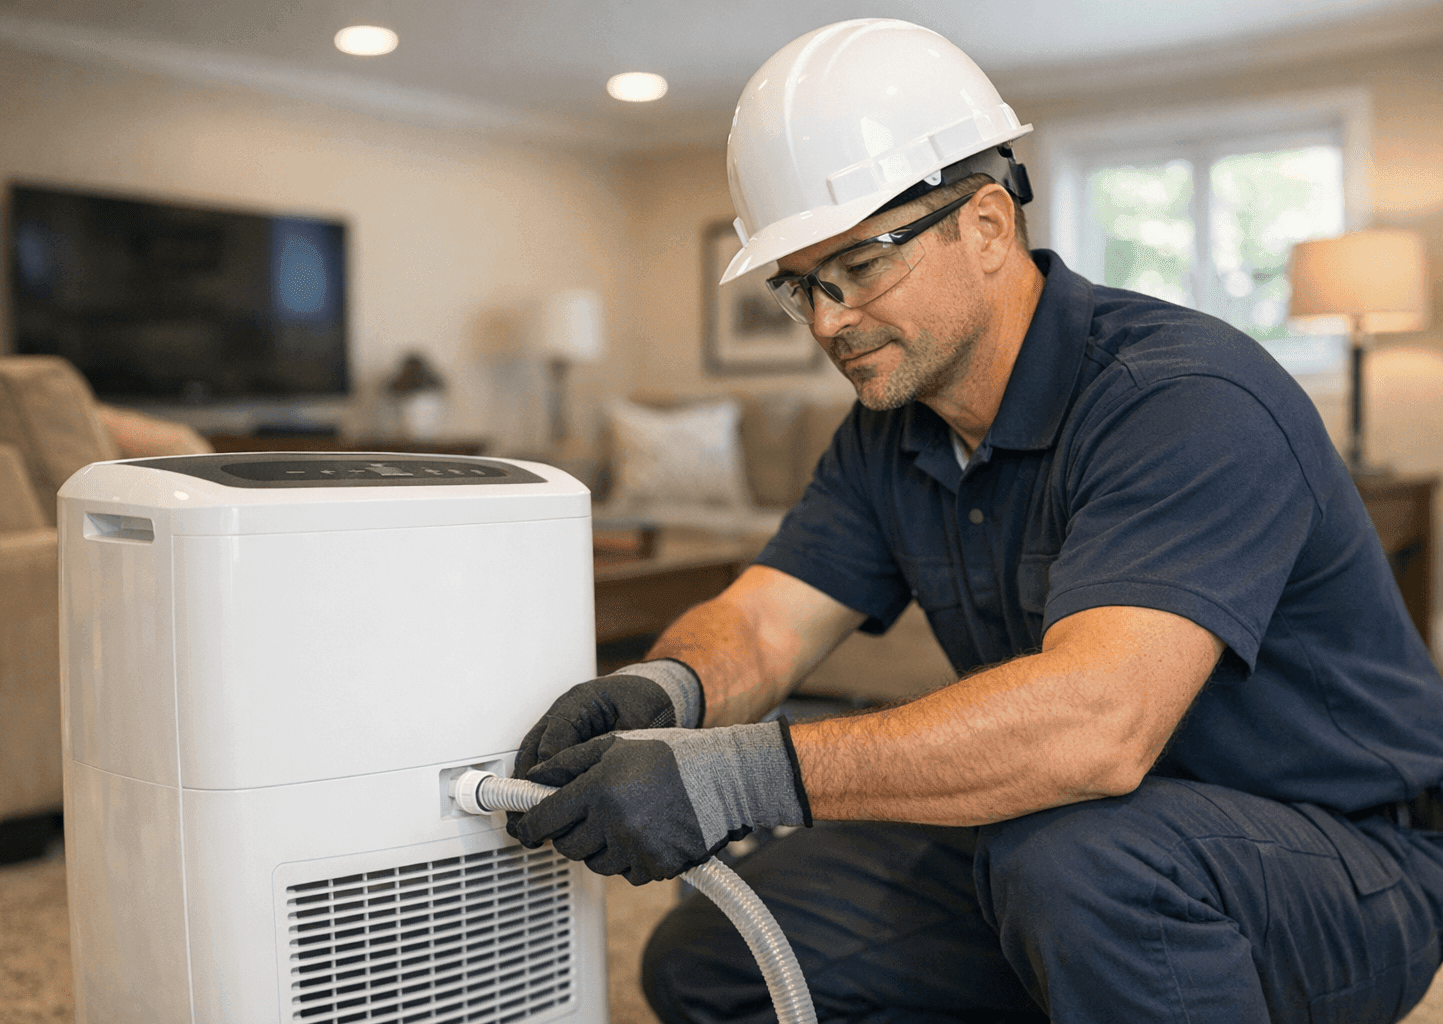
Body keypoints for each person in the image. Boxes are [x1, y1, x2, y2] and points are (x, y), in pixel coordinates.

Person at [508, 18, 1443, 1024]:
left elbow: (1097, 728)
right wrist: (666, 689)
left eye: (860, 265)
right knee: (716, 952)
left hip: (1344, 862)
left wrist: (741, 775)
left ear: (989, 225)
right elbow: (771, 620)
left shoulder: (1182, 397)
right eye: (802, 286)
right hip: (1072, 834)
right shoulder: (888, 432)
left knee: (1073, 861)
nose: (827, 320)